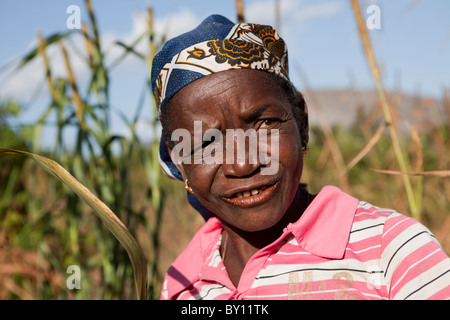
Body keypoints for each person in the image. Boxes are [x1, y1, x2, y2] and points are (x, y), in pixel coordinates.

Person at [151, 14, 450, 300]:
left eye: (265, 124)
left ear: (301, 124)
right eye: (206, 143)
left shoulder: (391, 251)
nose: (243, 164)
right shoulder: (182, 282)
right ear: (179, 163)